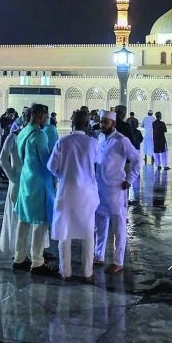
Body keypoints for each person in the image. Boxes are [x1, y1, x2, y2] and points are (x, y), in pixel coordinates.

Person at [48, 108, 100, 281]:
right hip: (86, 193)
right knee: (88, 233)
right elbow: (97, 162)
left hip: (66, 192)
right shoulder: (92, 143)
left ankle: (66, 271)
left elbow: (51, 167)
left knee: (65, 232)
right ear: (87, 124)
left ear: (72, 122)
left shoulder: (63, 142)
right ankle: (87, 273)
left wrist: (62, 175)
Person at [95, 109, 140, 274]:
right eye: (101, 122)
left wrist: (129, 180)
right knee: (100, 224)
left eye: (105, 122)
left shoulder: (122, 140)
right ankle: (98, 255)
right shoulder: (100, 138)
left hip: (116, 189)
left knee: (119, 226)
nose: (102, 125)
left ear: (113, 124)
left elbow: (136, 160)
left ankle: (118, 261)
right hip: (100, 189)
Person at [13, 104, 57, 275]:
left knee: (23, 221)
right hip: (39, 183)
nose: (46, 119)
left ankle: (19, 258)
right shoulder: (40, 135)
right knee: (40, 222)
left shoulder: (23, 132)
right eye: (45, 116)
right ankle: (37, 261)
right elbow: (47, 163)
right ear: (39, 116)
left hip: (26, 180)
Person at [0, 108, 27, 255]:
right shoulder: (14, 137)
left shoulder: (35, 136)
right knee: (16, 216)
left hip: (29, 183)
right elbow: (3, 159)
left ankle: (26, 250)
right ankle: (17, 250)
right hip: (17, 182)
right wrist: (13, 177)